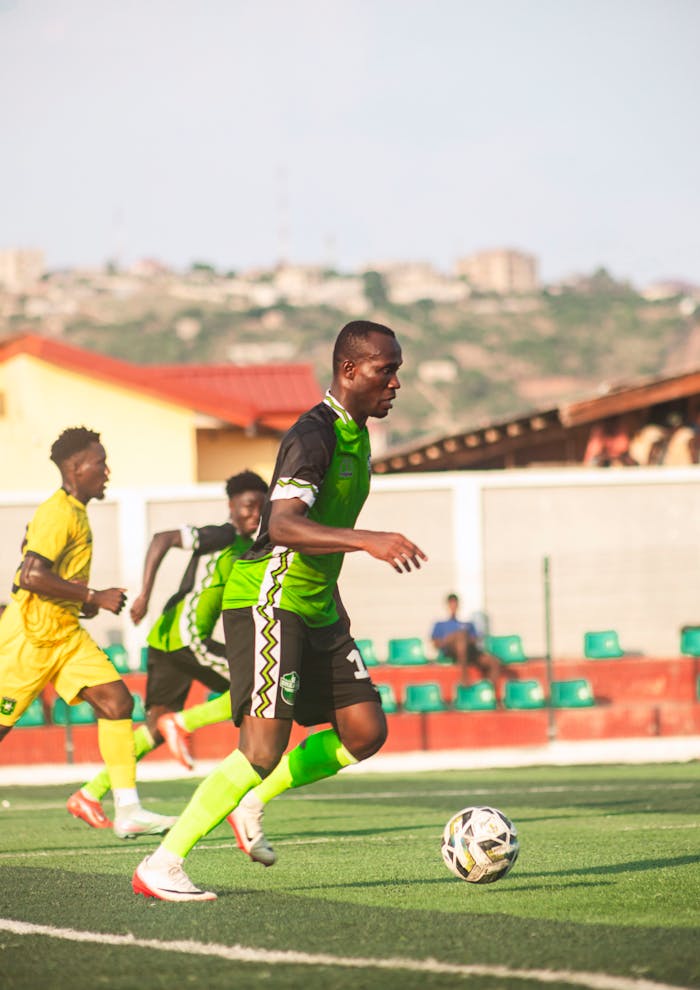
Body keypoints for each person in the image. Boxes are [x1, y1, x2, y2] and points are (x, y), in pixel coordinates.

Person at [133, 319, 427, 901]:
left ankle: (252, 802)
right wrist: (367, 539)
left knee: (365, 732)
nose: (395, 383)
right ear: (349, 370)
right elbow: (283, 523)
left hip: (318, 602)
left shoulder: (357, 434)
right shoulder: (313, 434)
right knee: (262, 748)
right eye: (384, 370)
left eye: (397, 371)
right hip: (271, 598)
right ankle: (162, 863)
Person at [66, 470, 268, 829]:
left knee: (154, 731)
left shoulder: (248, 548)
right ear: (231, 506)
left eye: (260, 508)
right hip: (187, 637)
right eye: (249, 506)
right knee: (254, 685)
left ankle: (90, 793)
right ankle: (184, 722)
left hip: (165, 640)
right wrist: (144, 592)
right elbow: (162, 538)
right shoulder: (223, 535)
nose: (254, 515)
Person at [0, 426, 176, 839]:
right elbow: (30, 575)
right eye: (100, 463)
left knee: (116, 701)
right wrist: (94, 596)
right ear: (77, 468)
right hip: (29, 639)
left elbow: (51, 577)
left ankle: (128, 809)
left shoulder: (76, 512)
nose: (107, 470)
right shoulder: (58, 513)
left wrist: (82, 603)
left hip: (64, 634)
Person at [430, 593, 501, 686]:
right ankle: (464, 677)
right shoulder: (440, 625)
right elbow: (436, 644)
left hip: (470, 651)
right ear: (447, 605)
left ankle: (487, 690)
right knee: (461, 636)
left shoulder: (467, 624)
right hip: (452, 652)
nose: (453, 606)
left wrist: (465, 639)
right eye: (451, 604)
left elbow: (475, 640)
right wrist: (451, 639)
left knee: (494, 662)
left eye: (455, 604)